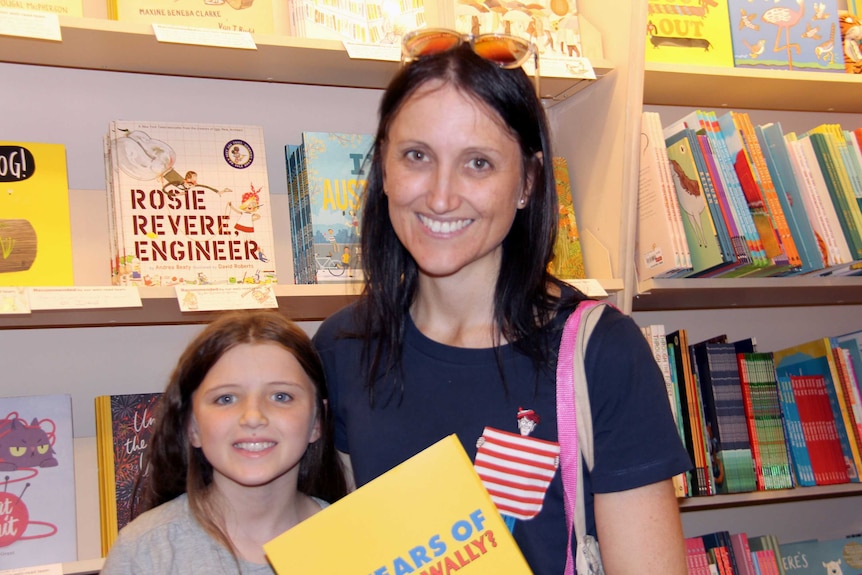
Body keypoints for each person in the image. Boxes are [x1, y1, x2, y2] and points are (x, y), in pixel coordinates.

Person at [312, 30, 692, 575]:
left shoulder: (601, 353)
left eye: (479, 164)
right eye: (417, 155)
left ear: (527, 182)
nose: (441, 197)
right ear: (384, 170)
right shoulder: (344, 347)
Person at [102, 310, 347, 574]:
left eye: (281, 396)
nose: (253, 417)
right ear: (192, 426)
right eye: (226, 399)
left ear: (317, 421)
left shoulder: (356, 542)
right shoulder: (144, 552)